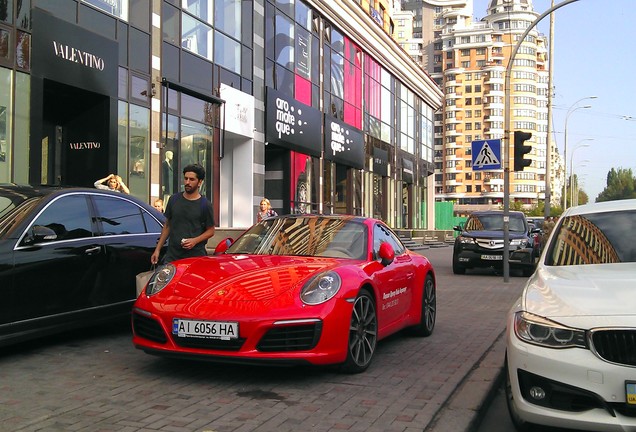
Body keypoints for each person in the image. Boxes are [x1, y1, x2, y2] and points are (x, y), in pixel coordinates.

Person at [151, 164, 215, 264]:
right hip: (173, 256)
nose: (187, 182)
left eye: (192, 179)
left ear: (200, 182)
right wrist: (157, 250)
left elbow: (211, 231)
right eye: (186, 178)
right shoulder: (174, 199)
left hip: (195, 258)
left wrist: (195, 241)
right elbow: (167, 225)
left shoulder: (205, 204)